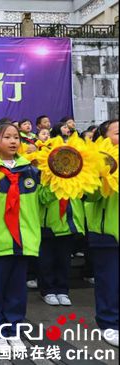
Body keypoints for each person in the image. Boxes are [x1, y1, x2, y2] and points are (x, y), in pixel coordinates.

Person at [0, 123, 55, 354]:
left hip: (22, 240)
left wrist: (60, 179)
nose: (13, 141)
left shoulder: (31, 171)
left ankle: (14, 330)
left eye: (16, 137)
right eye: (6, 137)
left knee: (16, 291)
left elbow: (44, 199)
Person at [85, 119, 119, 347]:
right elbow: (90, 196)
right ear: (104, 137)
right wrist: (102, 175)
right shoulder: (95, 161)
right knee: (110, 282)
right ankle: (109, 324)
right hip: (107, 233)